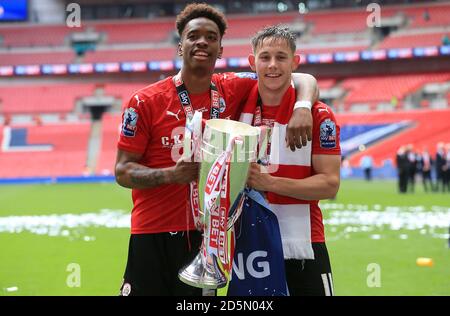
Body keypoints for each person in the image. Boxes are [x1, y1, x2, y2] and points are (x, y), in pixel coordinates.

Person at [114, 4, 319, 296]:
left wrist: (302, 106)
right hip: (152, 232)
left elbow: (298, 78)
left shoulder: (233, 88)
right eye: (193, 36)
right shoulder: (145, 101)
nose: (202, 42)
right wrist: (172, 175)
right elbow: (122, 171)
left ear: (220, 49)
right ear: (180, 46)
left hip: (208, 238)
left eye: (211, 37)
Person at [244, 25, 341, 296]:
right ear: (252, 62)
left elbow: (329, 185)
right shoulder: (236, 104)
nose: (272, 65)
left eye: (281, 57)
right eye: (264, 57)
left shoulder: (320, 116)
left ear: (294, 62)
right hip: (249, 246)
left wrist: (269, 182)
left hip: (304, 245)